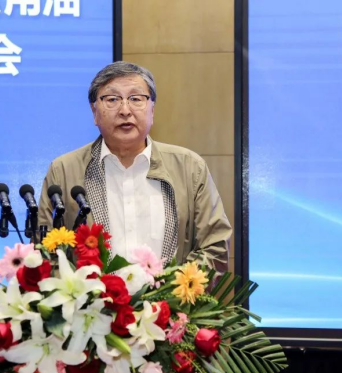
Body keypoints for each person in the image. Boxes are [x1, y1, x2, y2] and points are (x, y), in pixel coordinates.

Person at [37, 61, 232, 271]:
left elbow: (215, 246)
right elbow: (45, 252)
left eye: (136, 99)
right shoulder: (63, 171)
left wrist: (173, 287)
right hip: (92, 293)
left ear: (152, 109)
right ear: (94, 111)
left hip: (172, 293)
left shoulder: (190, 167)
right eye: (112, 99)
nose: (125, 110)